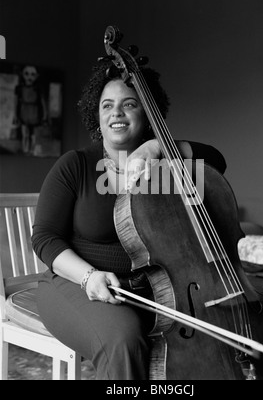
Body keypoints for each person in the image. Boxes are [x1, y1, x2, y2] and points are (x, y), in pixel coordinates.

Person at [32, 56, 226, 380]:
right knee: (124, 338)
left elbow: (216, 162)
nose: (116, 113)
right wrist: (89, 276)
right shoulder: (75, 165)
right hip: (75, 282)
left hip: (151, 291)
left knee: (209, 333)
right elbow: (45, 239)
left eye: (129, 104)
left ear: (147, 114)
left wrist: (157, 147)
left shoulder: (164, 168)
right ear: (96, 114)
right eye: (106, 105)